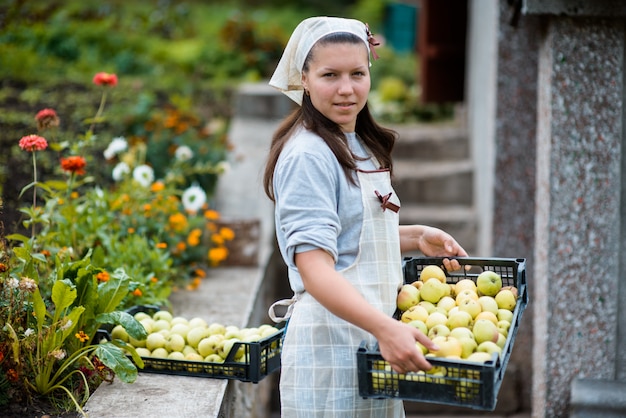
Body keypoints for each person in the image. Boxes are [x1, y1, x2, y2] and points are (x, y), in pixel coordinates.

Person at [264, 16, 468, 417]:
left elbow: (348, 240)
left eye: (357, 73)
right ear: (303, 79)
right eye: (330, 75)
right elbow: (315, 269)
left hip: (370, 346)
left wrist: (413, 236)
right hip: (332, 349)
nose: (346, 89)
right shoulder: (309, 155)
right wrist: (385, 328)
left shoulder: (356, 142)